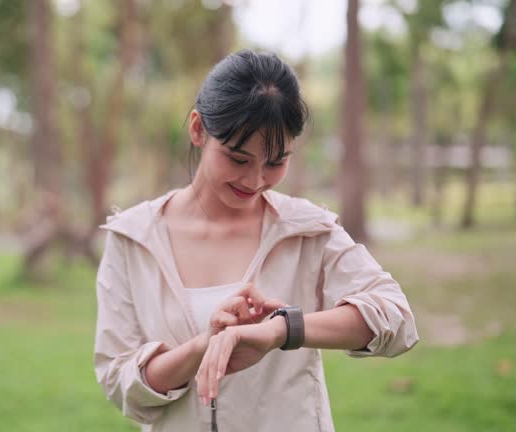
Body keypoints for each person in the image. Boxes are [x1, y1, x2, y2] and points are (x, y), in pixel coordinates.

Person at [94, 49, 419, 432]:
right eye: (238, 158)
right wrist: (204, 347)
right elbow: (119, 382)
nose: (255, 180)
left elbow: (396, 319)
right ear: (198, 129)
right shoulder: (133, 238)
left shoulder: (307, 229)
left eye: (276, 162)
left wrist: (280, 330)